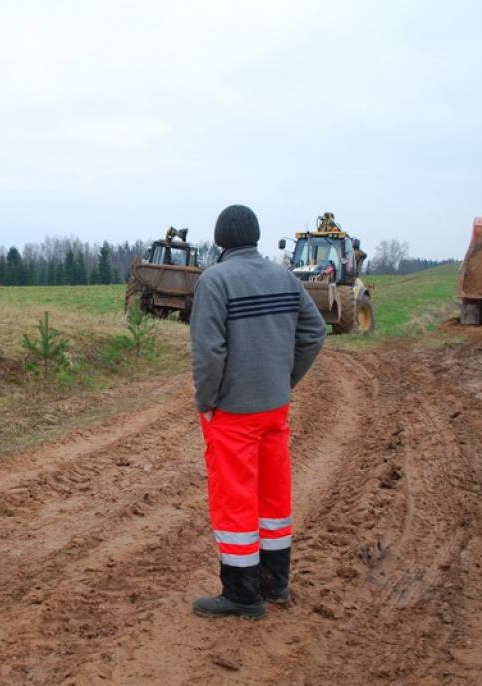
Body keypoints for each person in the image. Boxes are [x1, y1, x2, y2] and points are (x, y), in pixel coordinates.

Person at [189, 204, 327, 619]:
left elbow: (208, 353)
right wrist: (284, 382)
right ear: (256, 236)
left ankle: (242, 595)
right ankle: (276, 584)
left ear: (220, 240)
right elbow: (315, 331)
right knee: (272, 495)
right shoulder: (282, 275)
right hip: (274, 409)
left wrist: (207, 401)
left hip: (233, 412)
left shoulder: (215, 280)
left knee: (234, 499)